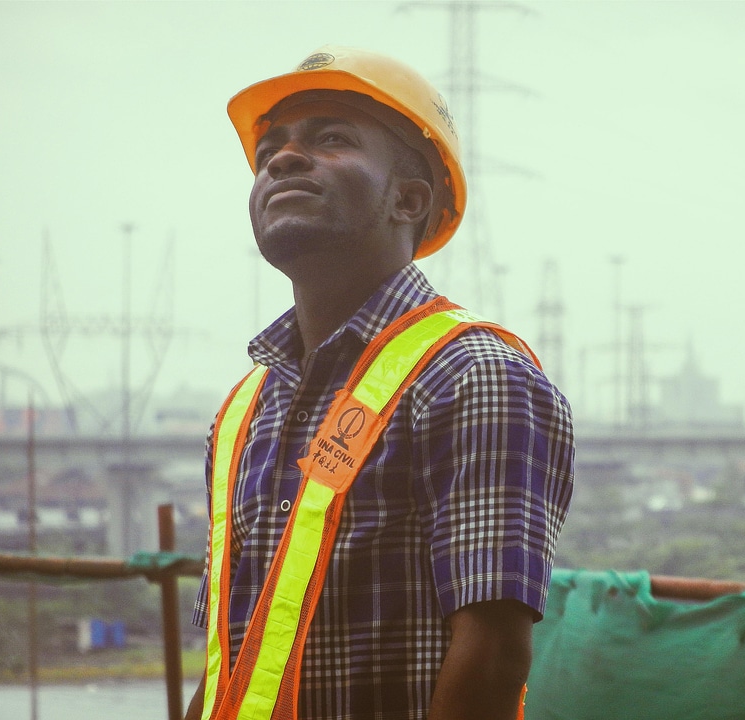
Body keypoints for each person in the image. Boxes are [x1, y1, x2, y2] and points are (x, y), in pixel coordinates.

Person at [185, 46, 574, 720]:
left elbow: (492, 659)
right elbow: (232, 661)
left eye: (331, 139)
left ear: (409, 198)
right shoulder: (245, 410)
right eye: (269, 149)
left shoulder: (475, 378)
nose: (282, 158)